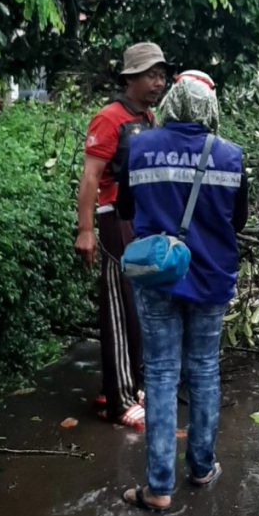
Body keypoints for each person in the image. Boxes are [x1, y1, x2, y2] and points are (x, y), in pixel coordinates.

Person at [118, 71, 248, 511]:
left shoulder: (138, 146)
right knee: (203, 370)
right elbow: (239, 220)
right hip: (210, 276)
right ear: (210, 110)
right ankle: (201, 466)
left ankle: (157, 487)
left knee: (158, 374)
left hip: (157, 276)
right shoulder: (231, 155)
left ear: (170, 104)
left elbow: (124, 208)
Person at [75, 42, 168, 430]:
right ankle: (119, 401)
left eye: (161, 75)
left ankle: (121, 386)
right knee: (118, 306)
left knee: (137, 306)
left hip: (139, 219)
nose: (158, 82)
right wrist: (86, 230)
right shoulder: (108, 118)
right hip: (114, 219)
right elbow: (91, 177)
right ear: (129, 78)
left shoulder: (147, 116)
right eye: (150, 74)